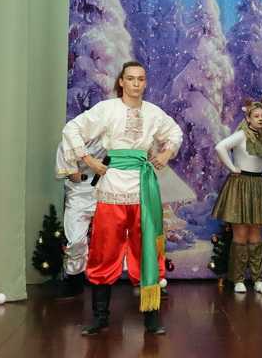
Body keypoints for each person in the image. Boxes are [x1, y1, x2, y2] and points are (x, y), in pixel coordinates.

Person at [61, 61, 182, 335]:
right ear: (121, 82)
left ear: (145, 83)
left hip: (143, 190)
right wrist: (88, 160)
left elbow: (175, 132)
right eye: (131, 78)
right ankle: (100, 316)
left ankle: (151, 317)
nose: (136, 84)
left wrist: (166, 153)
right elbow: (72, 129)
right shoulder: (107, 109)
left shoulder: (153, 113)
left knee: (146, 249)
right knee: (104, 249)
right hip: (111, 189)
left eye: (141, 79)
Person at [212, 102, 262, 295]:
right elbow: (220, 147)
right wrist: (232, 168)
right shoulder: (241, 135)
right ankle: (238, 279)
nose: (261, 119)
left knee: (256, 234)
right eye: (256, 116)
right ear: (248, 118)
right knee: (240, 234)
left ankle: (257, 279)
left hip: (257, 185)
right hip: (240, 185)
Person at [54, 138, 105, 298]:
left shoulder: (108, 139)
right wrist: (89, 170)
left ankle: (105, 280)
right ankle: (75, 280)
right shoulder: (66, 144)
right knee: (75, 240)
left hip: (106, 192)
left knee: (113, 239)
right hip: (78, 195)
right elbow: (74, 176)